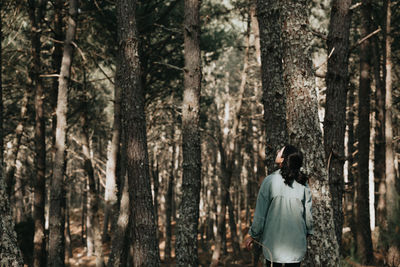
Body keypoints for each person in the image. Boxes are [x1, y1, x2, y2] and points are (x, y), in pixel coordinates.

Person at [245, 144, 313, 267]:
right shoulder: (303, 184)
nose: (277, 151)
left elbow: (260, 215)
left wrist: (252, 234)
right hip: (296, 246)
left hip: (273, 247)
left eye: (280, 151)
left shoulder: (269, 181)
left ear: (284, 158)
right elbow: (308, 216)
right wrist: (308, 232)